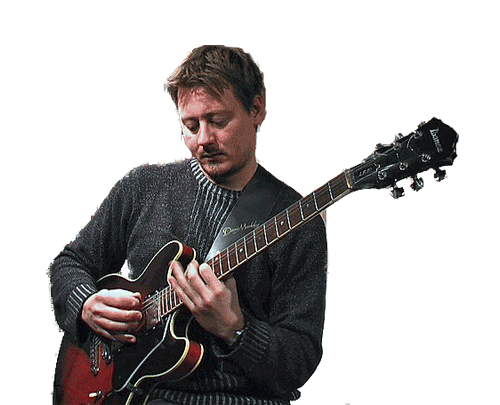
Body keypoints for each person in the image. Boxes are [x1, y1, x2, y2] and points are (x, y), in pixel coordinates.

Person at [50, 45, 328, 405]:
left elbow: (299, 358)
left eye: (218, 121)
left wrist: (235, 330)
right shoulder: (143, 188)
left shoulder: (296, 219)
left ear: (256, 109)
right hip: (136, 395)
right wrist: (86, 304)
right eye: (191, 125)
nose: (203, 140)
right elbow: (70, 263)